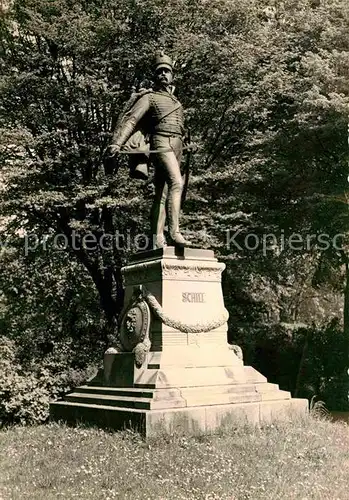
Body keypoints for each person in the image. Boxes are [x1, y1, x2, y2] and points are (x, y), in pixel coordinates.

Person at [108, 51, 191, 249]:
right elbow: (132, 120)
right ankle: (175, 232)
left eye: (167, 71)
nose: (163, 74)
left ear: (172, 75)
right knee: (176, 183)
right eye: (160, 71)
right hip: (161, 142)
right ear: (155, 76)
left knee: (162, 193)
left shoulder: (177, 102)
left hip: (178, 145)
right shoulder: (150, 98)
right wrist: (117, 144)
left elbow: (181, 128)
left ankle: (157, 239)